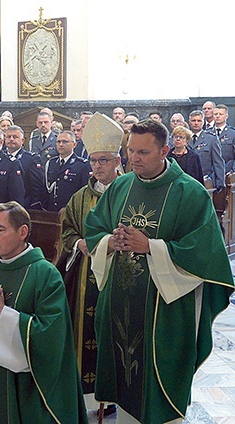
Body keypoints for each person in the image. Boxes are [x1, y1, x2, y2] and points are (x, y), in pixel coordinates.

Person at [85, 119, 234, 423]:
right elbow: (94, 227)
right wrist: (109, 243)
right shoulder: (121, 186)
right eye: (130, 151)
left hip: (165, 312)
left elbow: (204, 253)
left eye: (143, 152)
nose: (133, 159)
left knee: (160, 391)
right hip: (121, 306)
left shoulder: (190, 193)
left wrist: (151, 246)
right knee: (126, 390)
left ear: (165, 150)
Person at [0, 201, 87, 423]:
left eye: (0, 229)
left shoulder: (45, 274)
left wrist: (3, 313)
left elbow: (51, 334)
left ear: (23, 232)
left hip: (23, 388)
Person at [58, 112, 123, 415]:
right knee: (85, 332)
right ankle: (86, 397)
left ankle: (115, 397)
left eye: (103, 161)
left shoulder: (130, 193)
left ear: (117, 160)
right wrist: (79, 243)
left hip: (120, 276)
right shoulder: (80, 197)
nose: (97, 167)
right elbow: (68, 230)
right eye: (93, 161)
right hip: (85, 277)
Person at [45, 130, 92, 211]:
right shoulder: (51, 163)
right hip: (51, 210)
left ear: (74, 144)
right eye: (58, 142)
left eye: (65, 142)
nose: (61, 144)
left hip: (71, 210)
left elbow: (85, 192)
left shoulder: (82, 165)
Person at [5, 125, 45, 209]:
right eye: (9, 137)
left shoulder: (31, 159)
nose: (11, 139)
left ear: (22, 140)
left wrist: (31, 205)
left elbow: (37, 187)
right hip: (3, 204)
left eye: (15, 137)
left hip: (23, 205)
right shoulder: (2, 158)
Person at [188, 109, 225, 189]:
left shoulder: (211, 139)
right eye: (193, 120)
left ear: (203, 122)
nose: (196, 123)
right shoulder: (184, 138)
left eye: (199, 121)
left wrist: (220, 182)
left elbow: (218, 162)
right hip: (187, 180)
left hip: (205, 180)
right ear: (189, 122)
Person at [211, 104, 235, 173]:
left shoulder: (233, 133)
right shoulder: (207, 133)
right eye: (215, 114)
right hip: (211, 173)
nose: (218, 116)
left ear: (226, 116)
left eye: (220, 114)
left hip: (228, 171)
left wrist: (232, 171)